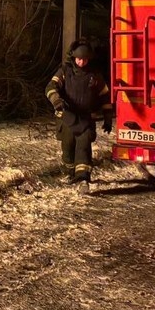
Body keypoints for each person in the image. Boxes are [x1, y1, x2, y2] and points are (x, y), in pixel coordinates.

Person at [45, 39, 112, 194]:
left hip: (86, 120)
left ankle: (83, 180)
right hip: (67, 118)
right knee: (68, 151)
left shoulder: (95, 76)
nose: (82, 62)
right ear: (73, 57)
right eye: (79, 59)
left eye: (85, 59)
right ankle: (70, 172)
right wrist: (56, 100)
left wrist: (108, 118)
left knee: (83, 149)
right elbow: (50, 87)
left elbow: (105, 97)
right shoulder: (64, 71)